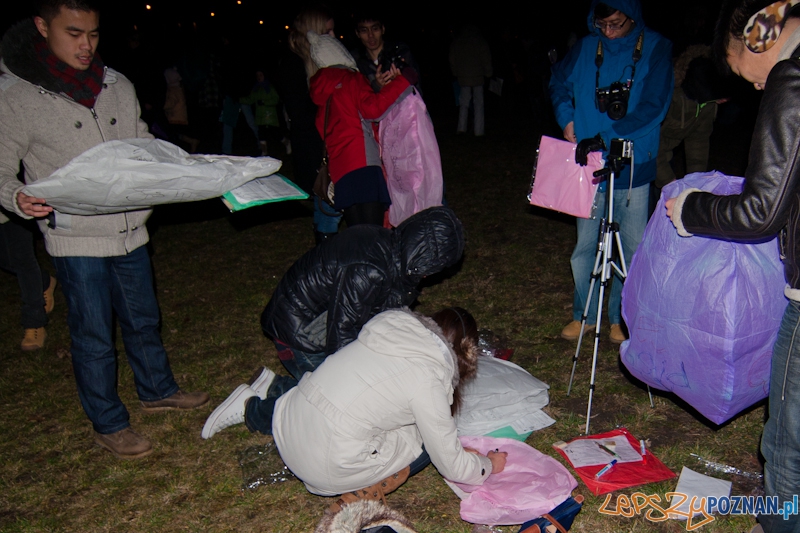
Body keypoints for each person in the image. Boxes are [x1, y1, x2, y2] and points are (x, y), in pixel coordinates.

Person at [0, 0, 208, 459]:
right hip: (76, 237)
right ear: (42, 27)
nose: (86, 45)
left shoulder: (116, 84)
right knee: (93, 334)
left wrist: (182, 168)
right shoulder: (18, 96)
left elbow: (139, 144)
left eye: (93, 34)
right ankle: (109, 423)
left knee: (143, 318)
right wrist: (16, 196)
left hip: (130, 227)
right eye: (73, 33)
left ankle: (157, 389)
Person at [666, 2, 800, 531]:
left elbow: (760, 212)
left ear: (756, 33)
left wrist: (690, 209)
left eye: (735, 62)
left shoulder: (792, 77)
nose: (753, 84)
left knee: (787, 443)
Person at [201, 307, 508, 512]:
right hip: (319, 464)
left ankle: (253, 408)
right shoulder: (428, 379)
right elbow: (452, 465)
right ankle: (366, 490)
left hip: (289, 420)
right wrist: (487, 465)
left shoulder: (391, 330)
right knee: (426, 445)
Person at [549, 0, 673, 343]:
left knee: (631, 250)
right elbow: (557, 81)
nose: (608, 31)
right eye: (602, 24)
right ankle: (585, 314)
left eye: (616, 24)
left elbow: (654, 106)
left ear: (632, 16)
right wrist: (567, 119)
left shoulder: (657, 48)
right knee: (585, 247)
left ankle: (622, 317)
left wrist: (606, 137)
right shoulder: (587, 47)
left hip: (633, 167)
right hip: (589, 167)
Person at [261, 206, 464, 380]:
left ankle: (271, 387)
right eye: (435, 267)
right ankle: (262, 399)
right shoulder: (369, 269)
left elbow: (382, 311)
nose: (431, 275)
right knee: (330, 396)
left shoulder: (394, 251)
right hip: (299, 332)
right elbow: (342, 331)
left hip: (320, 321)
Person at [277, 7, 343, 244]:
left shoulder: (320, 59)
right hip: (314, 144)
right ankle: (326, 252)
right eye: (327, 31)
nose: (333, 36)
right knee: (327, 196)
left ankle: (324, 249)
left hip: (326, 139)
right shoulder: (294, 63)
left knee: (326, 199)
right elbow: (299, 111)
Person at [0, 209, 56, 350]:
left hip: (15, 206)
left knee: (22, 259)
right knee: (6, 261)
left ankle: (34, 322)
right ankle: (44, 281)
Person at [351, 11, 421, 94]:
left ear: (383, 29)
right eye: (364, 31)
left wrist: (399, 81)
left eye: (375, 29)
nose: (370, 35)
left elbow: (417, 89)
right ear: (357, 34)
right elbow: (357, 97)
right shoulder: (355, 62)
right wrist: (377, 86)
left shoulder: (400, 52)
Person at [450, 24, 493, 136]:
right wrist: (488, 73)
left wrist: (456, 72)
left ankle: (461, 128)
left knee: (463, 103)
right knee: (479, 103)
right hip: (478, 76)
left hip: (463, 77)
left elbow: (452, 58)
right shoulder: (480, 41)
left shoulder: (458, 41)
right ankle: (479, 131)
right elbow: (486, 58)